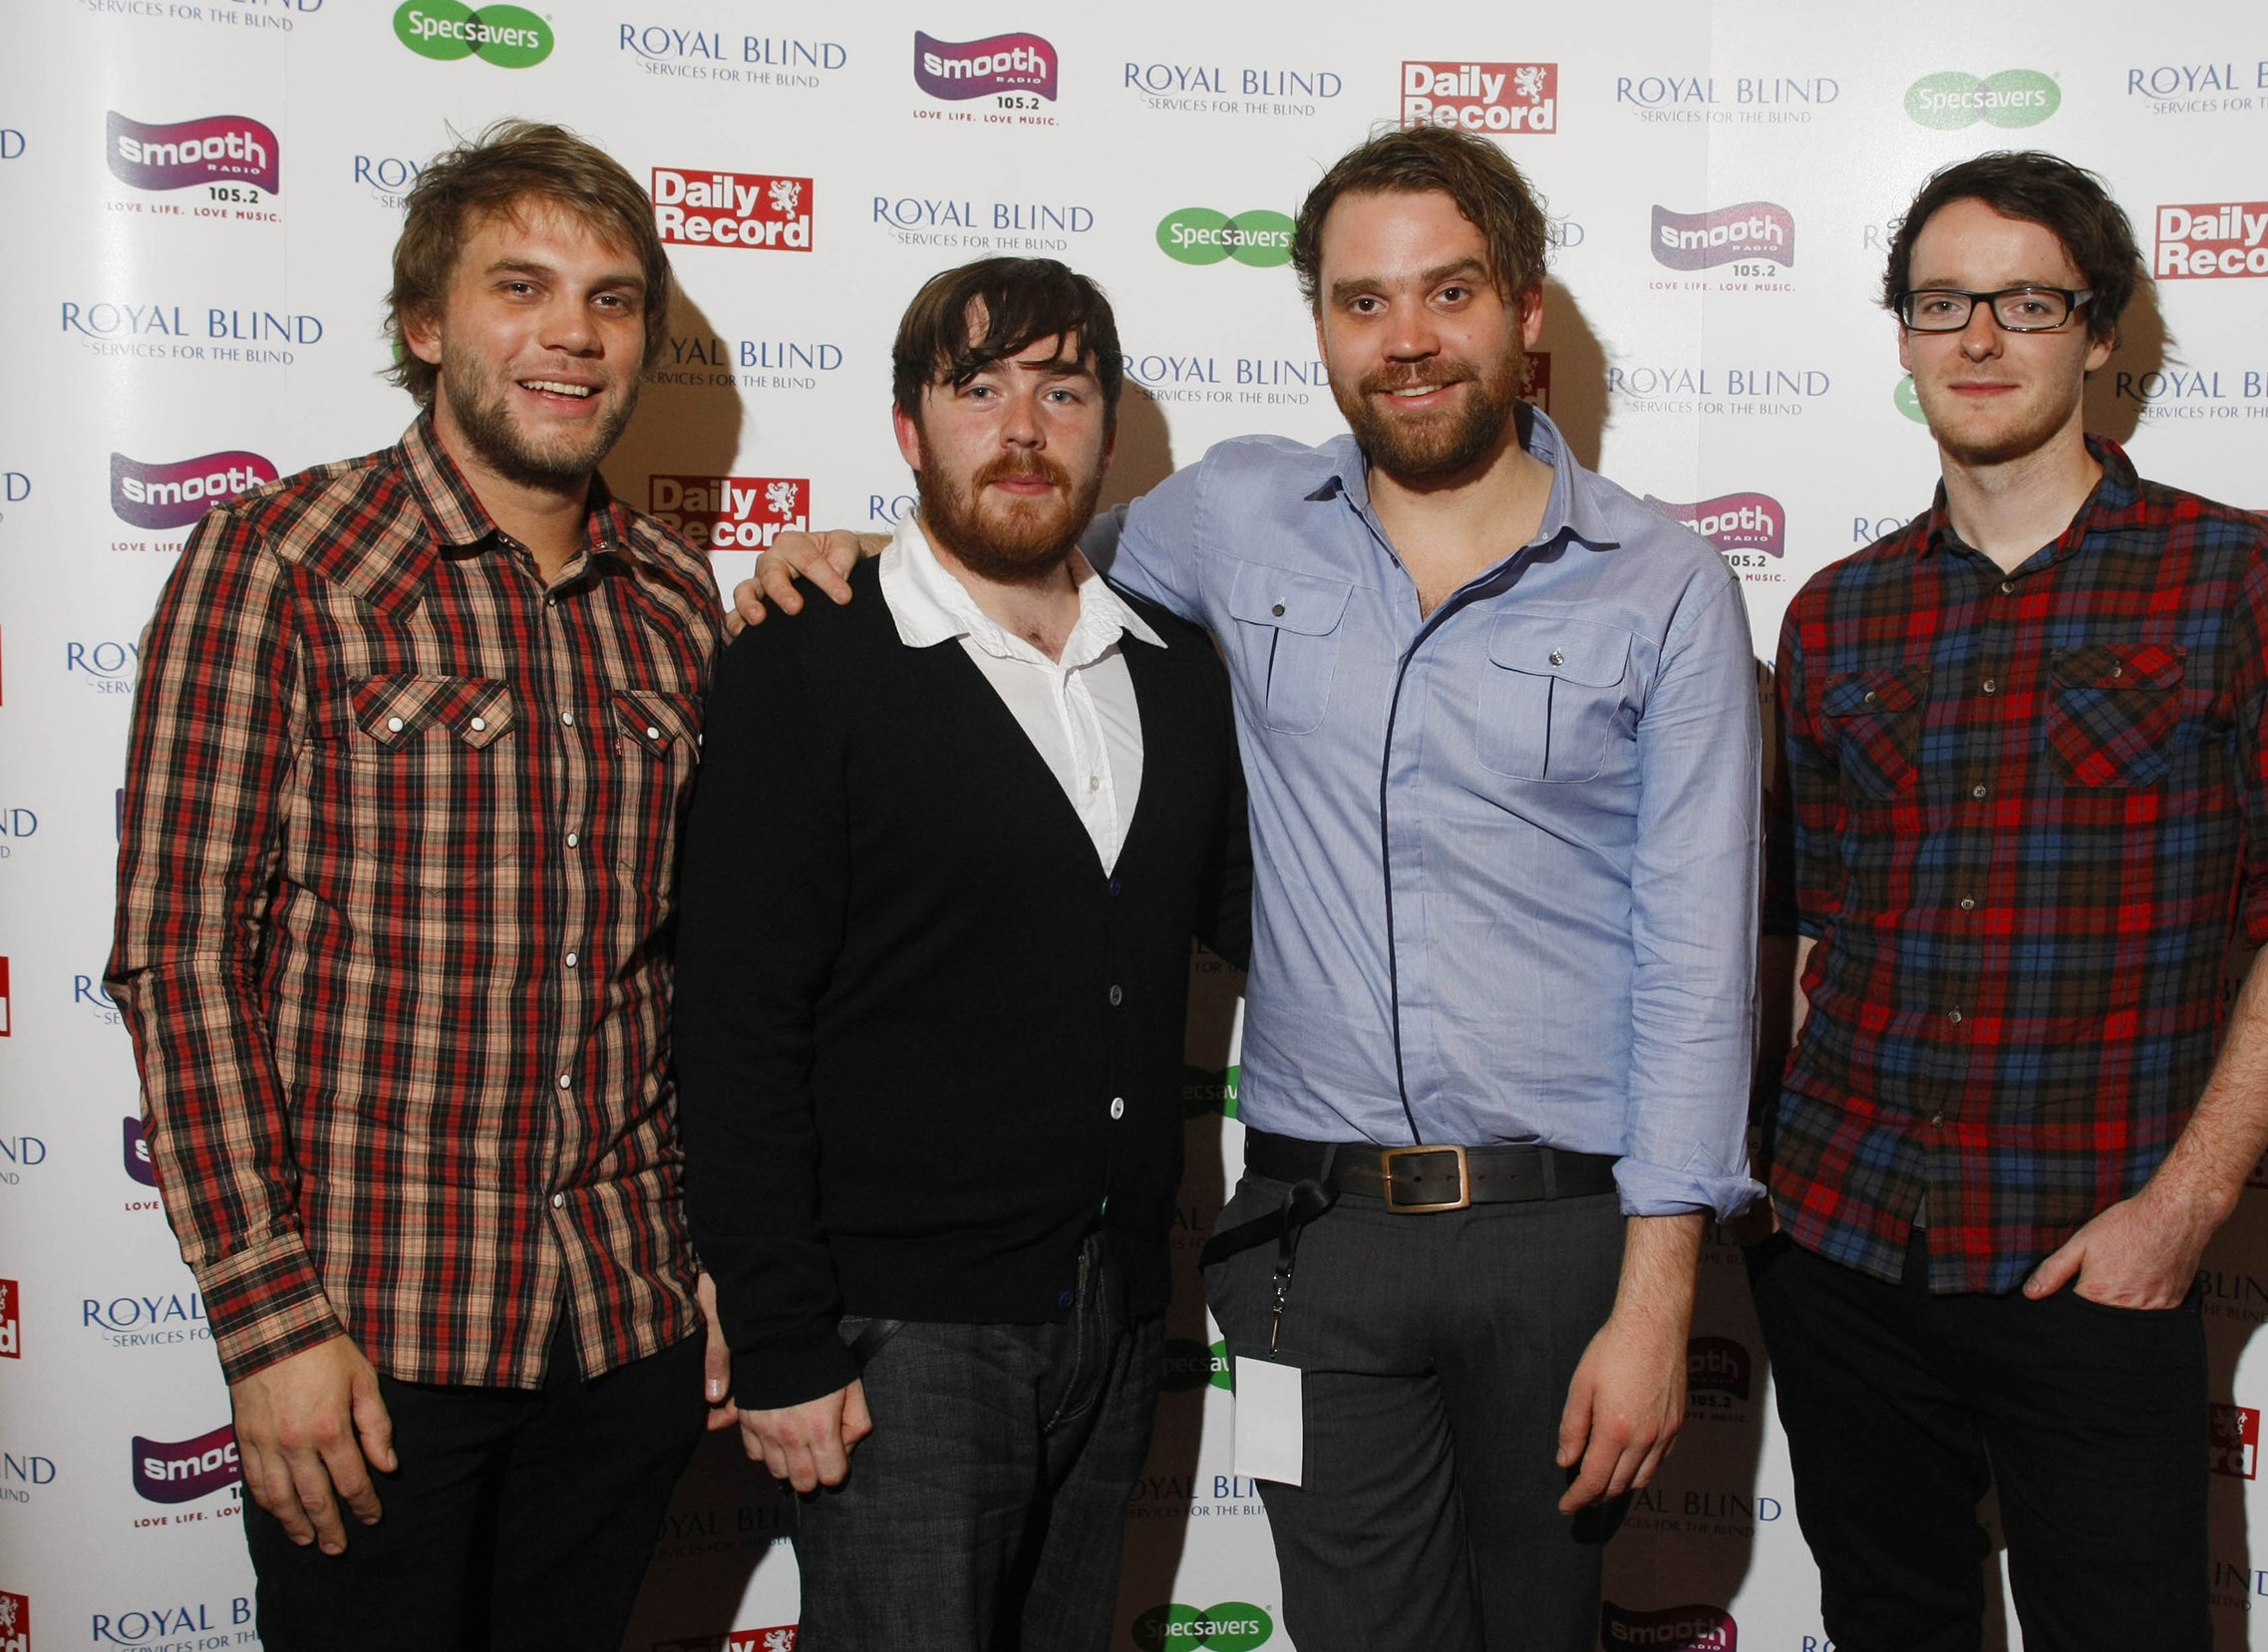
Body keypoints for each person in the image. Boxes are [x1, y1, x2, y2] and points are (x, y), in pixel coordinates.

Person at [735, 126, 1762, 1652]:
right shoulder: (1225, 517)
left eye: (1450, 292)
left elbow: (1699, 959)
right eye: (1361, 302)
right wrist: (836, 565)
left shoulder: (1663, 581)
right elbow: (1007, 547)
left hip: (1563, 1239)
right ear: (1324, 328)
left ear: (1525, 311)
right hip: (1311, 1249)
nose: (1405, 340)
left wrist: (1659, 1296)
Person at [1751, 150, 2268, 1652]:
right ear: (1904, 336)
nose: (1977, 339)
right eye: (1939, 303)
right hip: (1843, 1250)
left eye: (2024, 302)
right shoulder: (1838, 609)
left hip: (2089, 1260)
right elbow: (1803, 927)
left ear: (2099, 334)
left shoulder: (2232, 579)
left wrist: (2184, 1210)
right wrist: (1767, 1193)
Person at [106, 121, 733, 1650]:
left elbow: (705, 966)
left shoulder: (675, 594)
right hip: (374, 1347)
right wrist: (268, 1327)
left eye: (611, 297)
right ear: (426, 326)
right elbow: (181, 960)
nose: (572, 336)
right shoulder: (280, 561)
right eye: (521, 288)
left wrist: (726, 1259)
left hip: (628, 1328)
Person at [668, 256, 1251, 1652]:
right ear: (908, 429)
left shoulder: (1172, 673)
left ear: (1108, 434)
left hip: (1116, 1315)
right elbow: (736, 1022)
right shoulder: (810, 660)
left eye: (1062, 390)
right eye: (978, 389)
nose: (1024, 426)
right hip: (896, 1338)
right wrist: (784, 1336)